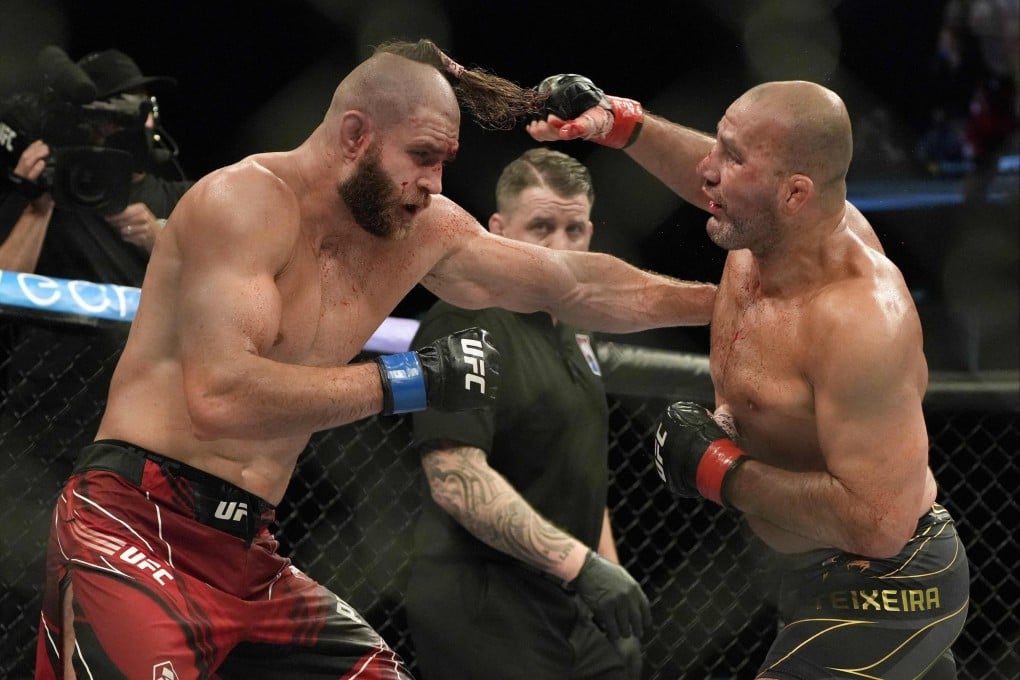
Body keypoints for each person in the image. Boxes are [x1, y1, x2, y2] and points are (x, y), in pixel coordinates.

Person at [34, 40, 716, 679]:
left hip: (250, 553)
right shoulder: (243, 202)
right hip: (132, 526)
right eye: (421, 155)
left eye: (445, 159)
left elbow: (575, 284)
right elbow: (220, 396)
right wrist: (408, 381)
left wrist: (724, 302)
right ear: (355, 135)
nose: (433, 181)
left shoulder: (424, 228)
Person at [528, 75, 970, 678]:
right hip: (801, 573)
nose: (708, 170)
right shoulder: (764, 231)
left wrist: (720, 472)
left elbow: (880, 523)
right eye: (719, 143)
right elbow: (714, 175)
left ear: (794, 194)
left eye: (732, 157)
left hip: (888, 579)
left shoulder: (859, 318)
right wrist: (623, 124)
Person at [406, 147, 660, 680]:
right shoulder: (465, 320)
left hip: (567, 602)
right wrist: (584, 567)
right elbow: (455, 478)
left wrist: (605, 574)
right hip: (482, 603)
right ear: (498, 230)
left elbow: (587, 475)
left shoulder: (571, 333)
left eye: (575, 229)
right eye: (541, 226)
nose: (559, 246)